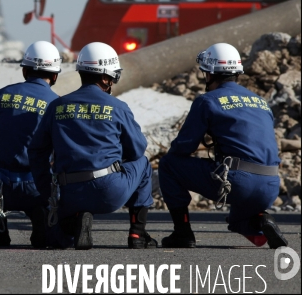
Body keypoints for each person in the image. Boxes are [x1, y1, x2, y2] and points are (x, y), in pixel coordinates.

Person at [159, 43, 288, 249]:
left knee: (168, 165)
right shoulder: (261, 102)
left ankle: (182, 233)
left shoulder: (207, 101)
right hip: (270, 184)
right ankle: (262, 219)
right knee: (237, 222)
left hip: (239, 181)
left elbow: (183, 147)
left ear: (209, 74)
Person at [29, 42, 156, 250]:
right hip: (108, 193)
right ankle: (137, 234)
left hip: (67, 193)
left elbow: (36, 152)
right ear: (105, 78)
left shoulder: (57, 106)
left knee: (56, 241)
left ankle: (75, 220)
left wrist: (48, 193)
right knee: (142, 163)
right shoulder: (117, 107)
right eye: (113, 77)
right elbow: (137, 150)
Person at [0, 41, 61, 248]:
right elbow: (59, 151)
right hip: (39, 187)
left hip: (3, 187)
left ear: (25, 70)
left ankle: (0, 224)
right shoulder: (56, 103)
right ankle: (41, 222)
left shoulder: (2, 95)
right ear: (54, 75)